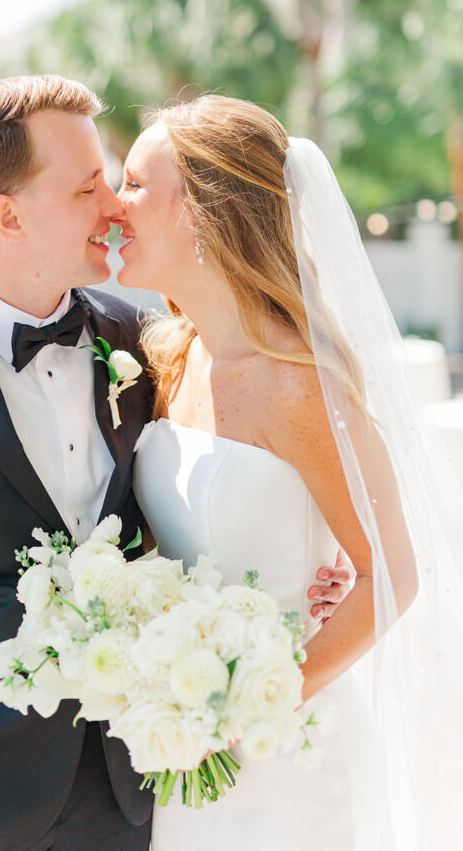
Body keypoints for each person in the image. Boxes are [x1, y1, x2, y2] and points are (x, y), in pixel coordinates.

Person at [0, 77, 347, 851]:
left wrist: (305, 565)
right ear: (8, 215)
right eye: (88, 187)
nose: (115, 206)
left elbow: (208, 502)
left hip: (134, 795)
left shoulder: (147, 345)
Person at [117, 95, 463, 850]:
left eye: (136, 185)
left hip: (284, 759)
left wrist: (234, 714)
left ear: (202, 211)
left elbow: (391, 576)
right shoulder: (169, 358)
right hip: (180, 751)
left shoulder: (296, 382)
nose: (115, 205)